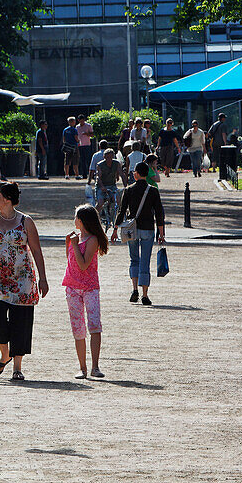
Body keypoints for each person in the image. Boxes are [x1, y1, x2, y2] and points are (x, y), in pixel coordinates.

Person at [0, 180, 49, 381]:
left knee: (21, 323)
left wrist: (42, 278)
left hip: (22, 279)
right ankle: (4, 353)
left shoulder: (26, 221)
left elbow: (36, 250)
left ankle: (17, 367)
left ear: (8, 199)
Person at [64, 204, 108, 379]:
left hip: (89, 288)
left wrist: (74, 245)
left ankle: (95, 367)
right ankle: (82, 368)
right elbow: (69, 261)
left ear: (81, 221)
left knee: (94, 326)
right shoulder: (74, 238)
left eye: (76, 217)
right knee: (78, 329)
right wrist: (69, 243)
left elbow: (83, 265)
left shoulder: (93, 240)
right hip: (72, 287)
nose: (74, 220)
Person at [113, 162, 166, 305]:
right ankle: (145, 294)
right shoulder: (153, 190)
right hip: (148, 228)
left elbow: (122, 211)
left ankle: (134, 289)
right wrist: (161, 233)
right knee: (145, 261)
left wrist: (115, 229)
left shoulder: (129, 190)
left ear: (136, 173)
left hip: (132, 229)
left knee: (134, 259)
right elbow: (159, 213)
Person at [94, 148, 126, 229]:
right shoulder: (100, 165)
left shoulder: (116, 163)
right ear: (104, 157)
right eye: (107, 157)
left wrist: (126, 186)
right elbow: (98, 178)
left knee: (118, 201)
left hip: (112, 185)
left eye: (111, 157)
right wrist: (102, 187)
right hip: (101, 186)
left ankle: (119, 219)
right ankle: (94, 218)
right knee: (100, 202)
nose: (109, 159)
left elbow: (122, 174)